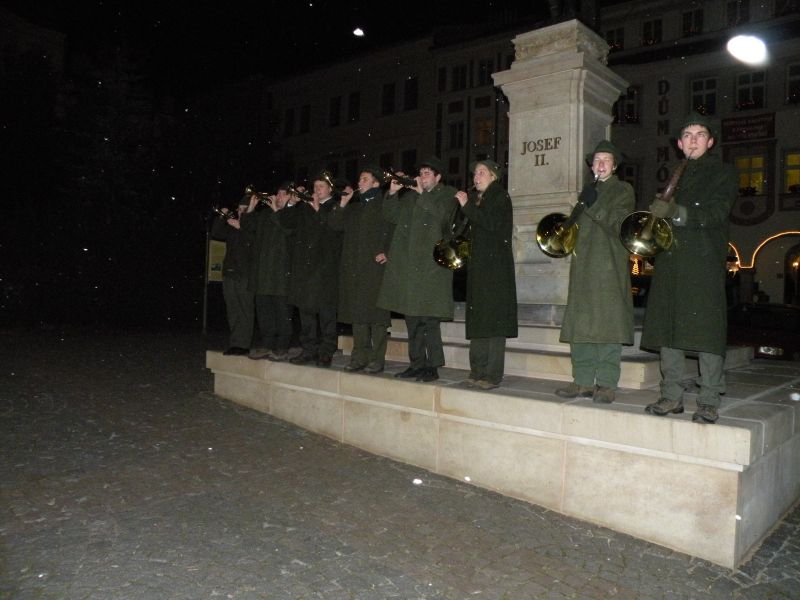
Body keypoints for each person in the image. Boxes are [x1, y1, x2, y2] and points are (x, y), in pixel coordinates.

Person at [642, 112, 737, 424]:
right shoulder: (676, 175)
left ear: (710, 142)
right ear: (680, 144)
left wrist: (676, 212)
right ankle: (671, 396)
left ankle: (708, 399)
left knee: (706, 331)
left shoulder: (723, 172)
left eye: (700, 135)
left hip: (703, 261)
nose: (693, 140)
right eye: (687, 135)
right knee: (669, 328)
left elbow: (716, 213)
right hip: (671, 260)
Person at [555, 141, 635, 403]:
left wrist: (592, 205)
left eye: (606, 160)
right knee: (581, 326)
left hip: (608, 266)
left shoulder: (623, 190)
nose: (600, 164)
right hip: (583, 266)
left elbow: (620, 225)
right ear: (591, 166)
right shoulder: (587, 191)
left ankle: (607, 384)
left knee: (608, 326)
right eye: (596, 160)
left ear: (614, 165)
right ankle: (582, 381)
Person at [377, 157, 457, 382]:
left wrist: (422, 194)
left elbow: (443, 218)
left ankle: (432, 366)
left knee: (429, 320)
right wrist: (392, 193)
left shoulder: (447, 194)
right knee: (412, 319)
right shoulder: (410, 197)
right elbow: (390, 216)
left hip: (432, 267)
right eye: (421, 173)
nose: (422, 177)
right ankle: (416, 364)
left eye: (427, 173)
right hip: (410, 268)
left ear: (438, 177)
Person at [454, 160, 518, 390]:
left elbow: (492, 223)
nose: (476, 177)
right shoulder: (478, 199)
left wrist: (467, 206)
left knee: (494, 322)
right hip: (480, 268)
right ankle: (476, 372)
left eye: (482, 173)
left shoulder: (499, 196)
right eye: (475, 173)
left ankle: (492, 375)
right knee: (479, 320)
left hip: (495, 270)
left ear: (493, 176)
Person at [328, 166, 394, 374]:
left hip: (375, 268)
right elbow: (334, 225)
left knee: (377, 316)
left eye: (364, 179)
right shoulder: (354, 207)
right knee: (358, 315)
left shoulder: (385, 204)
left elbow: (395, 229)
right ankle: (359, 358)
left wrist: (388, 252)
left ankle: (377, 359)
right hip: (355, 268)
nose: (359, 183)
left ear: (376, 183)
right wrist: (342, 203)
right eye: (359, 179)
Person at [279, 173, 343, 367]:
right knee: (306, 311)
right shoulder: (304, 207)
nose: (316, 190)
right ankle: (308, 350)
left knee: (326, 313)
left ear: (330, 189)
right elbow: (286, 223)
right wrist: (291, 203)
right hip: (305, 269)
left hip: (325, 268)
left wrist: (318, 210)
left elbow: (334, 231)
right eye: (315, 187)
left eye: (321, 187)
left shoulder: (336, 206)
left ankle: (326, 351)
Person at [239, 183, 293, 361]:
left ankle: (282, 346)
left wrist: (277, 211)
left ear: (291, 197)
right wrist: (251, 208)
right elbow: (246, 228)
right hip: (263, 273)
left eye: (284, 194)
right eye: (278, 193)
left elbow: (288, 230)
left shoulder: (292, 214)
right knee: (264, 311)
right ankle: (267, 343)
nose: (279, 197)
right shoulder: (264, 214)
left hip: (282, 273)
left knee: (282, 312)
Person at [210, 196, 254, 356]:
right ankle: (236, 343)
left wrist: (241, 227)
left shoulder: (253, 226)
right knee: (233, 310)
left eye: (244, 209)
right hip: (229, 273)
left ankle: (244, 344)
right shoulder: (232, 227)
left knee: (245, 310)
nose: (241, 212)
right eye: (239, 209)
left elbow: (254, 242)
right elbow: (216, 233)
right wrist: (221, 216)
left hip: (245, 274)